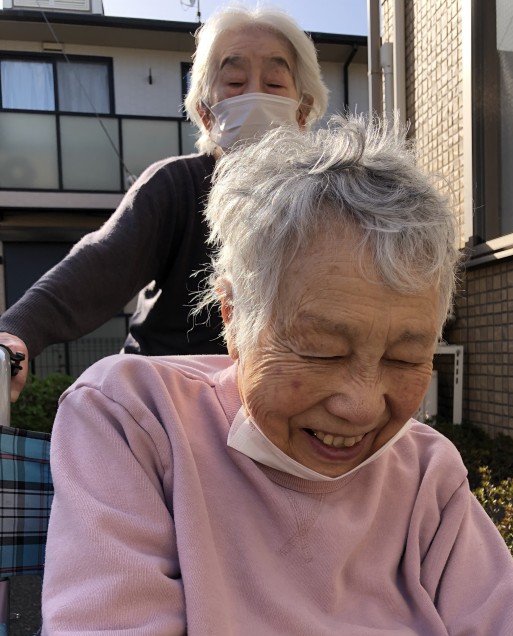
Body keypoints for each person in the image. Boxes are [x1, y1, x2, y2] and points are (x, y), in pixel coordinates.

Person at [27, 115, 513, 636]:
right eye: (321, 351)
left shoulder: (425, 470)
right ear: (233, 315)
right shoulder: (134, 419)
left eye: (406, 358)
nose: (361, 405)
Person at [0, 4, 328, 401]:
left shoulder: (327, 203)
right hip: (157, 403)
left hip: (273, 408)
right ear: (206, 113)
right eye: (235, 81)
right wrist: (16, 330)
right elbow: (101, 262)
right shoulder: (175, 185)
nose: (255, 95)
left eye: (274, 83)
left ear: (302, 110)